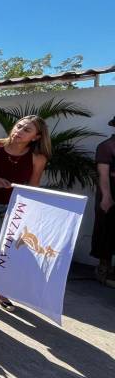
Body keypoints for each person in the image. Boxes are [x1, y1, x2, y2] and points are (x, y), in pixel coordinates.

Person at [0, 115, 51, 310]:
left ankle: (0, 290)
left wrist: (30, 214)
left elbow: (32, 187)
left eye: (27, 130)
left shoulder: (38, 158)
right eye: (19, 126)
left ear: (36, 137)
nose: (19, 131)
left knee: (6, 250)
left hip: (14, 208)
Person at [92, 115, 115, 287]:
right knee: (106, 230)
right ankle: (103, 269)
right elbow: (103, 174)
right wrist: (106, 197)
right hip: (111, 192)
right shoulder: (106, 146)